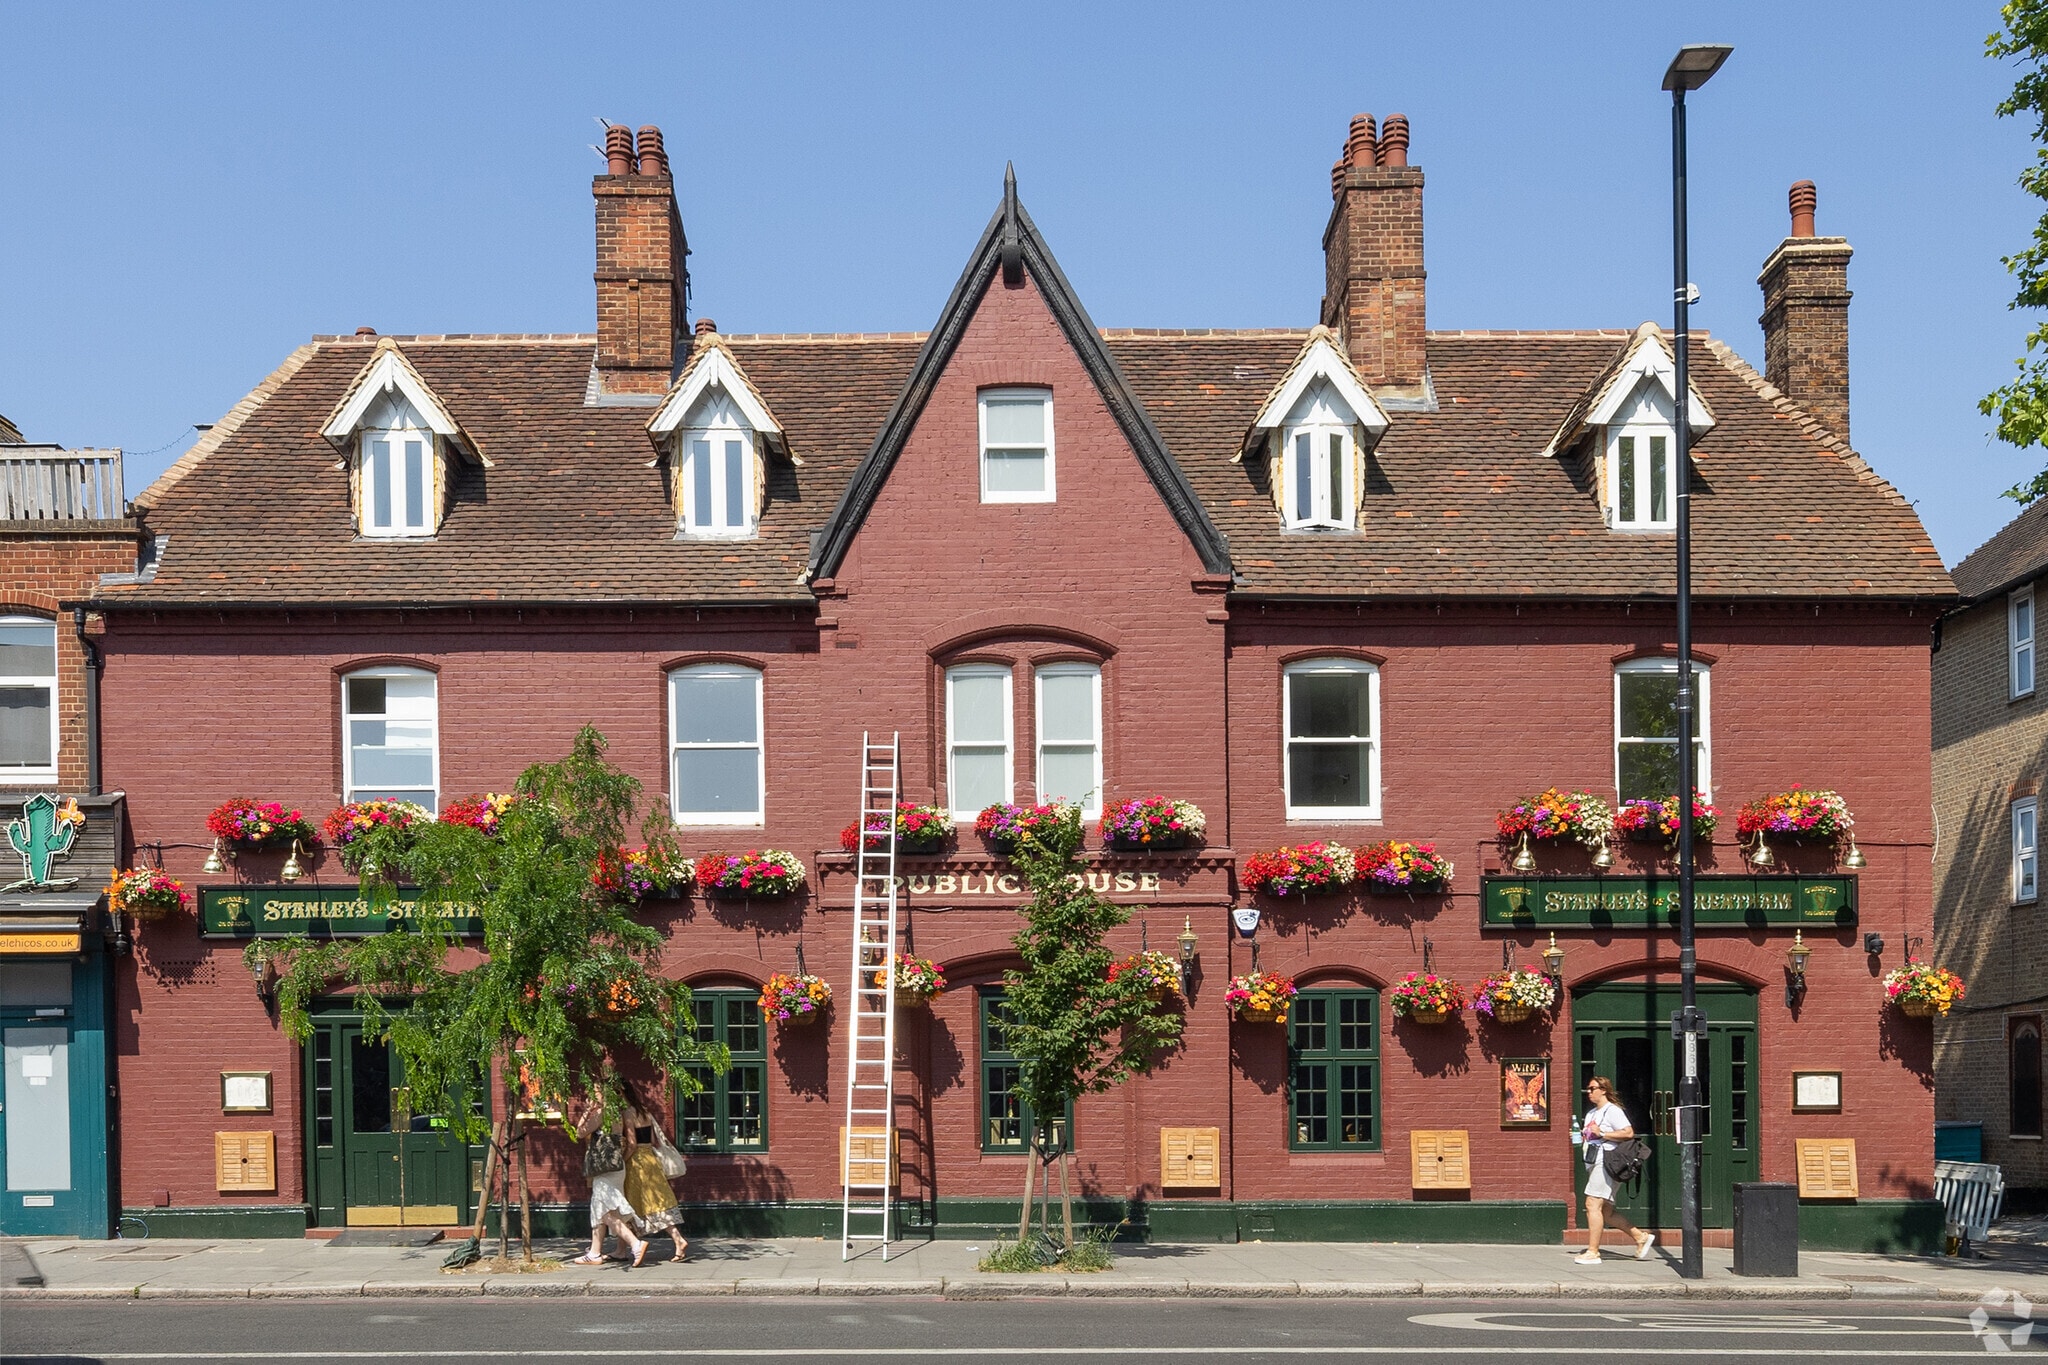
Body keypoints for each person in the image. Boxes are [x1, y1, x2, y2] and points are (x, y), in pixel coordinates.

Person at [1575, 1075, 1654, 1264]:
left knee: (1592, 1204)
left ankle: (1593, 1252)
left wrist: (1602, 1133)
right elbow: (1592, 1135)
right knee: (1606, 1212)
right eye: (1588, 1089)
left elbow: (1628, 1133)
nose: (1589, 1092)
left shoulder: (1613, 1110)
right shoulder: (1592, 1113)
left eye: (1592, 1088)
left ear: (1603, 1090)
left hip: (1607, 1162)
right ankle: (1640, 1237)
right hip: (1594, 1162)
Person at [572, 1098, 647, 1268]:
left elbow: (580, 1132)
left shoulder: (602, 1113)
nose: (590, 1096)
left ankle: (635, 1244)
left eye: (595, 1092)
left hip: (604, 1169)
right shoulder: (617, 1113)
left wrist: (586, 1110)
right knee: (600, 1209)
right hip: (615, 1167)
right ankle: (594, 1252)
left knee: (605, 1213)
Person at [620, 1079, 688, 1263]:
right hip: (650, 1158)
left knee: (638, 1203)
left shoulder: (628, 1113)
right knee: (658, 1201)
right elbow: (650, 1139)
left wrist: (622, 1161)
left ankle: (675, 1240)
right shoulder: (644, 1111)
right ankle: (621, 1248)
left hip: (637, 1163)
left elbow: (632, 1144)